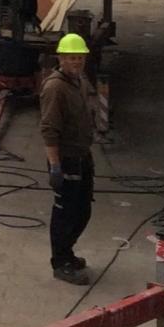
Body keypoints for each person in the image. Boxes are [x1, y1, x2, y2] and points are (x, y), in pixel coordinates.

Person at [41, 32, 95, 284]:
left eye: (80, 58)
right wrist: (55, 167)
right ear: (61, 58)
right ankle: (60, 262)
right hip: (66, 160)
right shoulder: (55, 88)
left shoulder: (79, 81)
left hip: (82, 156)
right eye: (72, 58)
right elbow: (50, 130)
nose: (76, 62)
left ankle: (68, 252)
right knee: (65, 213)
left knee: (83, 210)